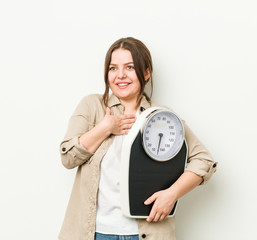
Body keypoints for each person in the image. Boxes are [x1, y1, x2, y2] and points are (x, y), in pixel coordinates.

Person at [59, 37, 217, 240]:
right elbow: (68, 158)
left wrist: (172, 194)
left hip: (147, 233)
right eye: (113, 68)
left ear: (146, 72)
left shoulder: (162, 117)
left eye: (130, 67)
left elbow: (204, 160)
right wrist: (105, 127)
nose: (120, 75)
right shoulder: (91, 107)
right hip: (95, 233)